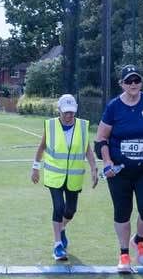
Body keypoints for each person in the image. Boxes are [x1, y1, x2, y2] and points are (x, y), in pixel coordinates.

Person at [95, 65, 143, 272]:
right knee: (122, 211)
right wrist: (107, 162)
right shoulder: (113, 107)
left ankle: (138, 239)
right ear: (121, 84)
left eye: (136, 80)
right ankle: (124, 255)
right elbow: (101, 138)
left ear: (141, 82)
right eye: (128, 81)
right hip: (119, 172)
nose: (133, 84)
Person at [30, 94, 99, 260]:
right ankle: (57, 245)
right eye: (66, 112)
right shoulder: (51, 125)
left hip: (74, 177)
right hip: (54, 175)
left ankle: (61, 228)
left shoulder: (82, 126)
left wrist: (94, 168)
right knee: (59, 207)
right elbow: (41, 147)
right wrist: (35, 168)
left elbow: (87, 149)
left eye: (72, 112)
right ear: (59, 110)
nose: (69, 115)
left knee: (71, 210)